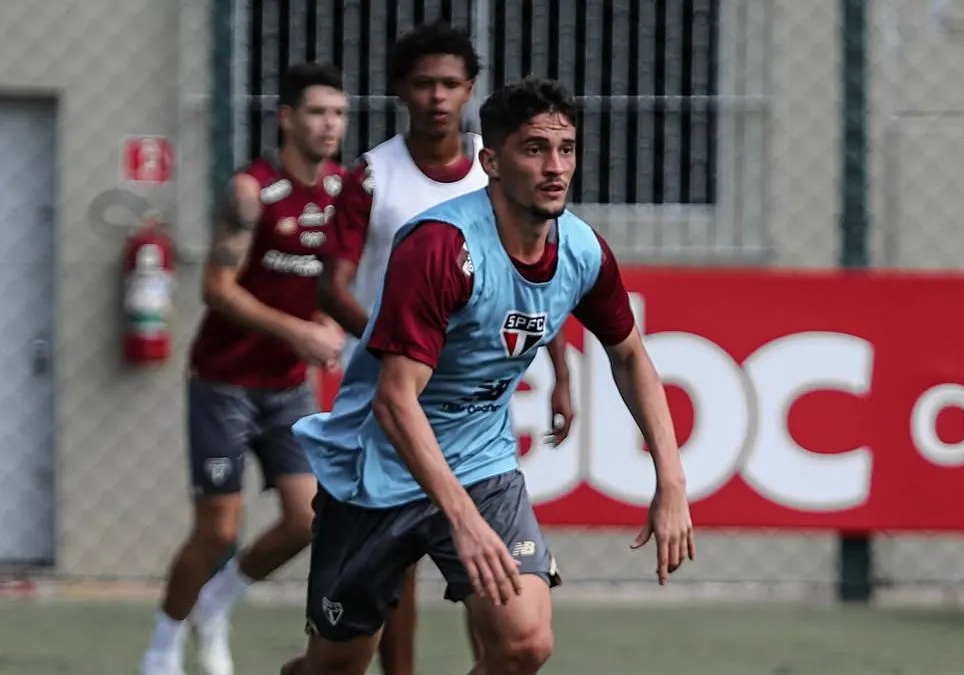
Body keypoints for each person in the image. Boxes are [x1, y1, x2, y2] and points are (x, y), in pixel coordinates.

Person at [281, 75, 694, 675]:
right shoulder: (440, 248)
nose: (556, 167)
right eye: (535, 149)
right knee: (335, 667)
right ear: (491, 163)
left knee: (525, 643)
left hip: (481, 467)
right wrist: (462, 521)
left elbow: (629, 356)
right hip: (376, 471)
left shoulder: (583, 251)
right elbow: (395, 402)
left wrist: (672, 480)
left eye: (567, 149)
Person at [317, 23, 575, 675]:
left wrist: (562, 371)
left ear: (469, 91)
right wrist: (399, 343)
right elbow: (333, 286)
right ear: (400, 89)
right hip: (392, 397)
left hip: (469, 412)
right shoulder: (373, 177)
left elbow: (536, 277)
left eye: (451, 84)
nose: (437, 97)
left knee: (493, 584)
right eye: (424, 83)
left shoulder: (507, 168)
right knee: (388, 585)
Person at [139, 62, 348, 675]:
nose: (330, 124)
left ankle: (216, 603)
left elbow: (337, 275)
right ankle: (162, 646)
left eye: (339, 113)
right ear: (287, 118)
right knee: (217, 529)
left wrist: (332, 319)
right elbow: (216, 288)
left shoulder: (344, 192)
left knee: (310, 517)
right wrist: (298, 330)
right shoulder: (252, 192)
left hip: (288, 386)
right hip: (224, 380)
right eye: (317, 112)